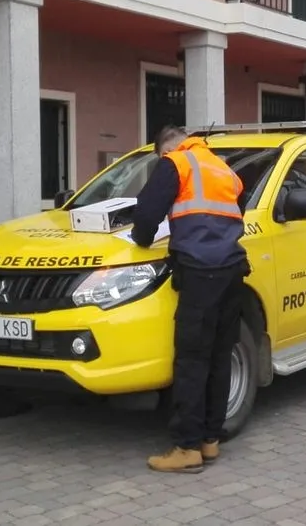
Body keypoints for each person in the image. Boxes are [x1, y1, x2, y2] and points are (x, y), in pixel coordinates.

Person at [131, 125, 249, 473]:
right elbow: (235, 210)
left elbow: (147, 212)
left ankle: (186, 447)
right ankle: (210, 440)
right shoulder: (223, 168)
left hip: (200, 271)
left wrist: (141, 238)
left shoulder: (176, 163)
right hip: (232, 269)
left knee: (192, 360)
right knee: (219, 357)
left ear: (166, 150)